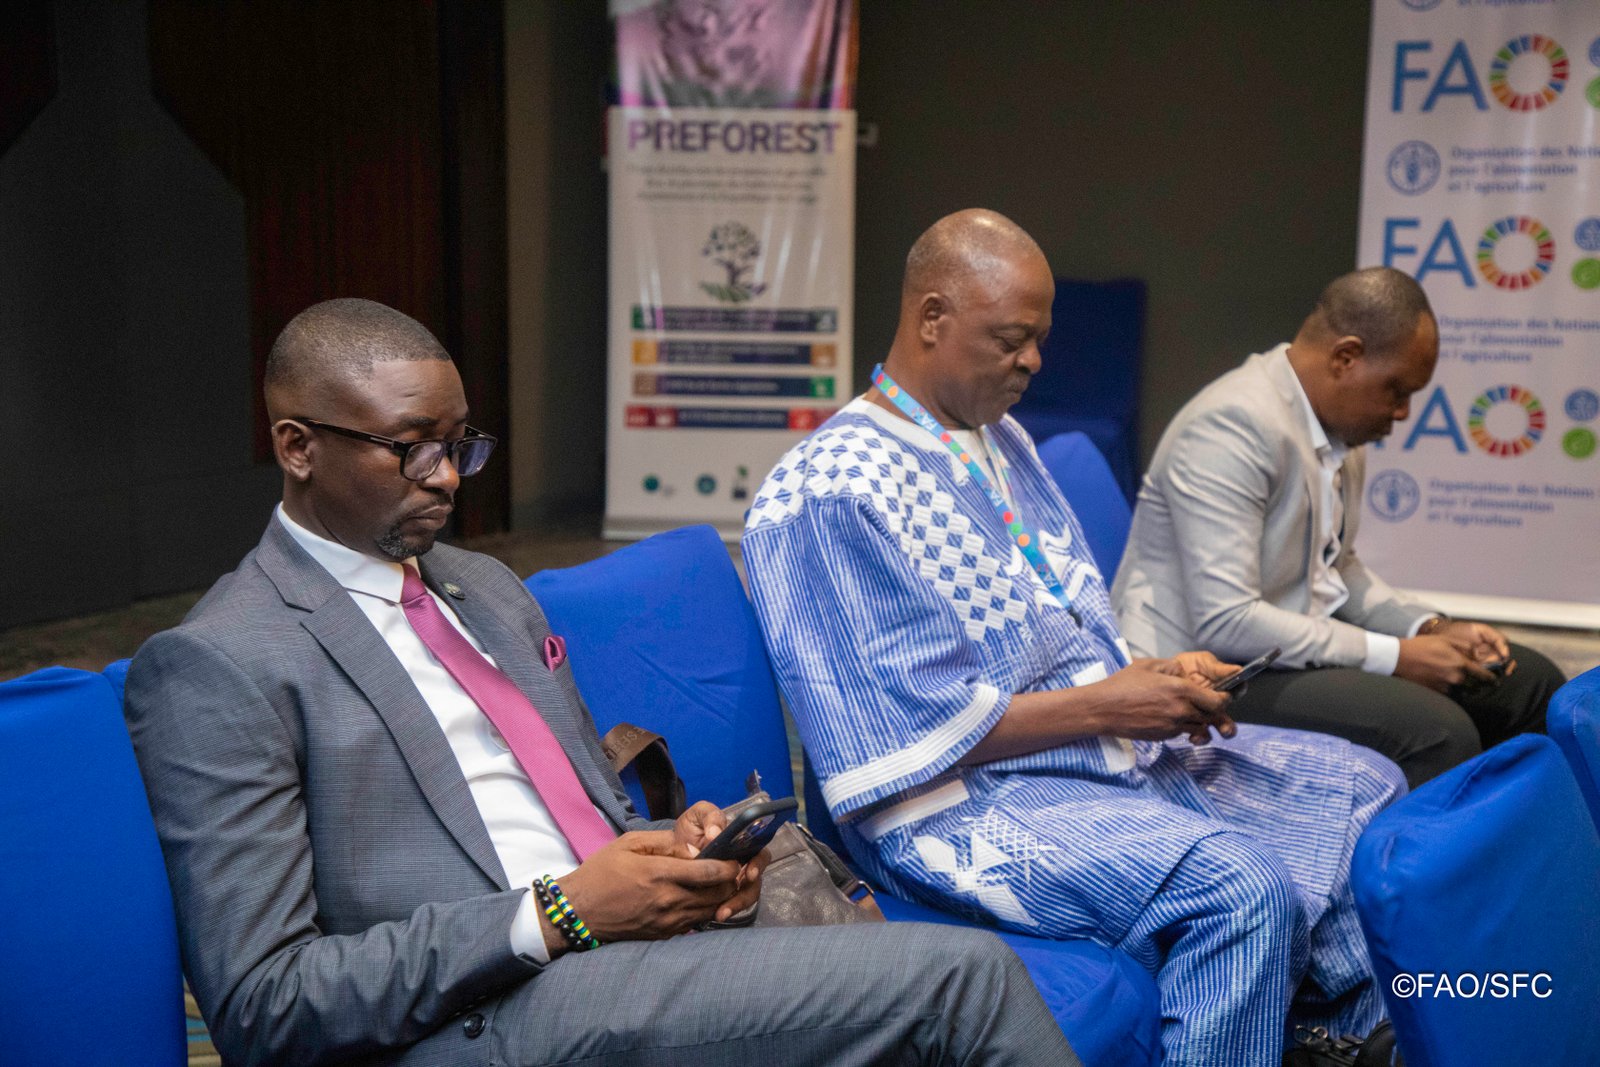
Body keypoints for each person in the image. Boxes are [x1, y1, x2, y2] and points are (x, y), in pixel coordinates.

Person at [124, 298, 1077, 1067]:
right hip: (478, 1016)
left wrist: (670, 853)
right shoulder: (220, 662)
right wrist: (555, 915)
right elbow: (265, 1004)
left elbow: (593, 816)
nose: (448, 478)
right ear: (298, 446)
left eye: (460, 444)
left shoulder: (485, 589)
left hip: (621, 958)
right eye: (413, 447)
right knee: (966, 980)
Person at [742, 209, 1406, 1067]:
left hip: (1082, 751)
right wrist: (1112, 705)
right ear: (933, 317)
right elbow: (897, 739)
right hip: (954, 809)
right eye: (1011, 339)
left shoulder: (998, 436)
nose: (1034, 361)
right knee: (1240, 891)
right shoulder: (834, 489)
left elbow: (1059, 627)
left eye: (1040, 340)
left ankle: (1327, 1042)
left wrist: (1155, 675)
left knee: (1364, 787)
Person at [1112, 267, 1563, 787]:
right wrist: (1396, 657)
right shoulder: (1231, 427)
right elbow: (1227, 622)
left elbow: (1336, 569)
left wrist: (1428, 629)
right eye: (1396, 390)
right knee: (1436, 731)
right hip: (1206, 673)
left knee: (1526, 683)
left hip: (1285, 649)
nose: (1403, 412)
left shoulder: (1339, 426)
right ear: (1346, 357)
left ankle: (1523, 835)